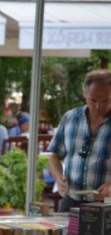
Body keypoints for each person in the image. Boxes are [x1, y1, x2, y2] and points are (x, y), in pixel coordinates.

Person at [48, 69, 111, 212]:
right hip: (71, 201)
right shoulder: (70, 118)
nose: (98, 107)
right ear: (84, 95)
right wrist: (58, 177)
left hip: (107, 205)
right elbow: (55, 156)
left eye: (106, 100)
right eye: (93, 100)